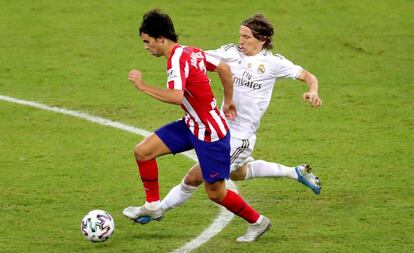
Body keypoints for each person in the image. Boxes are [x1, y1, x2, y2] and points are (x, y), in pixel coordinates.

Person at [142, 14, 323, 224]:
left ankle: (156, 210)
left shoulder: (274, 63)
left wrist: (313, 91)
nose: (241, 41)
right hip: (217, 126)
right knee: (239, 173)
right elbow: (198, 56)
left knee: (195, 177)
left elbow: (309, 77)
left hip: (240, 136)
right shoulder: (230, 52)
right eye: (240, 35)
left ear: (262, 39)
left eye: (246, 37)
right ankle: (296, 172)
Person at [123, 9, 271, 243]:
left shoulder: (177, 60)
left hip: (210, 134)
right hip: (192, 124)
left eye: (147, 41)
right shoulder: (189, 51)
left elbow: (175, 96)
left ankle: (257, 221)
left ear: (161, 38)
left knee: (216, 193)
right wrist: (228, 99)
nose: (145, 46)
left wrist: (142, 86)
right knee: (143, 151)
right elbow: (223, 67)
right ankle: (152, 205)